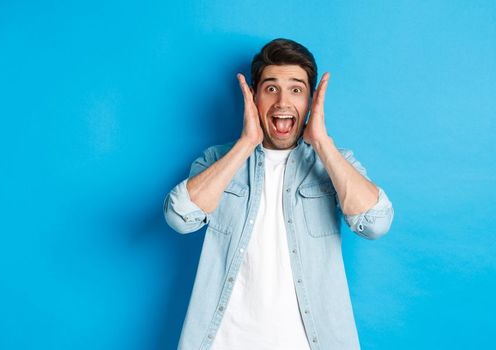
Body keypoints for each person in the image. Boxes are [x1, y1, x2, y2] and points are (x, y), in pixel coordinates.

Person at [163, 38, 394, 350]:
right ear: (254, 96)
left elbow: (376, 223)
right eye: (271, 88)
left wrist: (322, 142)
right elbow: (180, 218)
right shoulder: (216, 160)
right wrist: (245, 144)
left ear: (310, 101)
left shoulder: (335, 163)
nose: (283, 102)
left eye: (296, 90)